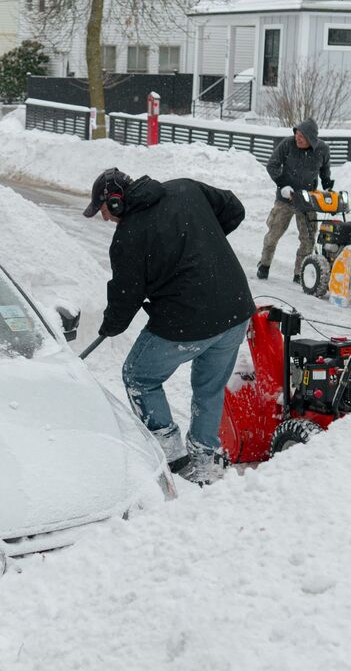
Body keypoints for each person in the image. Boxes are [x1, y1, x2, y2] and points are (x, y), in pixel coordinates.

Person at [84, 168, 255, 485]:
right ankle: (205, 463)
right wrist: (203, 245)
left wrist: (109, 326)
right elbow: (235, 209)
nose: (106, 220)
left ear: (117, 202)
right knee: (209, 387)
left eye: (104, 211)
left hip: (189, 321)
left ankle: (172, 458)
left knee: (138, 375)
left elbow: (126, 297)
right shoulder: (186, 189)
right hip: (235, 311)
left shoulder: (128, 236)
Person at [256, 118, 334, 283]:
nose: (297, 138)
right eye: (297, 134)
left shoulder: (322, 149)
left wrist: (327, 185)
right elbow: (272, 165)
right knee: (273, 234)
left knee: (308, 239)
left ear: (311, 139)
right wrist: (282, 185)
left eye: (302, 136)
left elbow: (325, 169)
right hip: (286, 198)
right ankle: (264, 265)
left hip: (308, 199)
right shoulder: (287, 144)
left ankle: (300, 273)